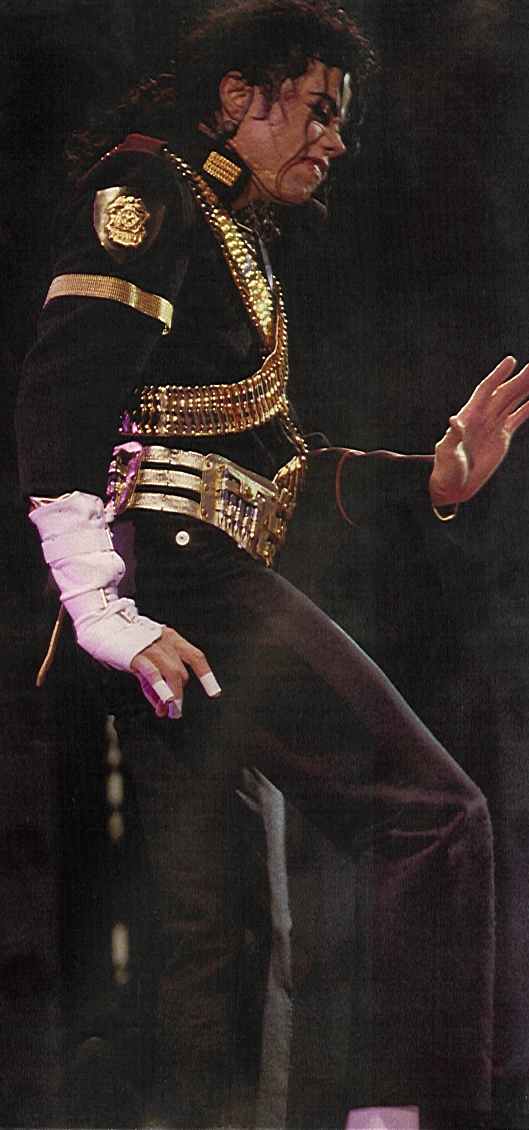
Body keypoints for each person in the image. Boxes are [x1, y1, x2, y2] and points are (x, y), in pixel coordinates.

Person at [15, 2, 529, 1127]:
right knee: (433, 818)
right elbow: (63, 389)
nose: (335, 139)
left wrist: (434, 478)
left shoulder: (226, 229)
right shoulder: (151, 189)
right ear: (239, 97)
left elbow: (276, 467)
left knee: (224, 936)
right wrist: (99, 603)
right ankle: (413, 1114)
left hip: (183, 585)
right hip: (175, 585)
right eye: (318, 109)